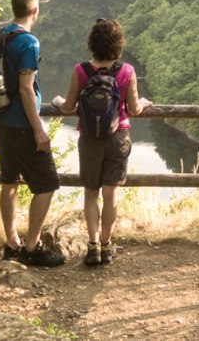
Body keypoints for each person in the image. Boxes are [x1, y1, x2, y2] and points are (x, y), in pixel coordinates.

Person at [52, 18, 151, 266]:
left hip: (89, 138)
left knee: (90, 193)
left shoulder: (81, 71)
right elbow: (135, 109)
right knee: (111, 194)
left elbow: (68, 106)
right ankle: (107, 245)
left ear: (92, 44)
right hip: (118, 137)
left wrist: (55, 102)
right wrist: (146, 103)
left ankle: (93, 245)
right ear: (118, 44)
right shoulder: (127, 71)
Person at [0, 0, 64, 267]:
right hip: (22, 125)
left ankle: (12, 244)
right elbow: (25, 88)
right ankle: (31, 248)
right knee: (46, 184)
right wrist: (38, 130)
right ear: (35, 11)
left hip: (1, 122)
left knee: (9, 182)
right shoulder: (28, 43)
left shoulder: (1, 34)